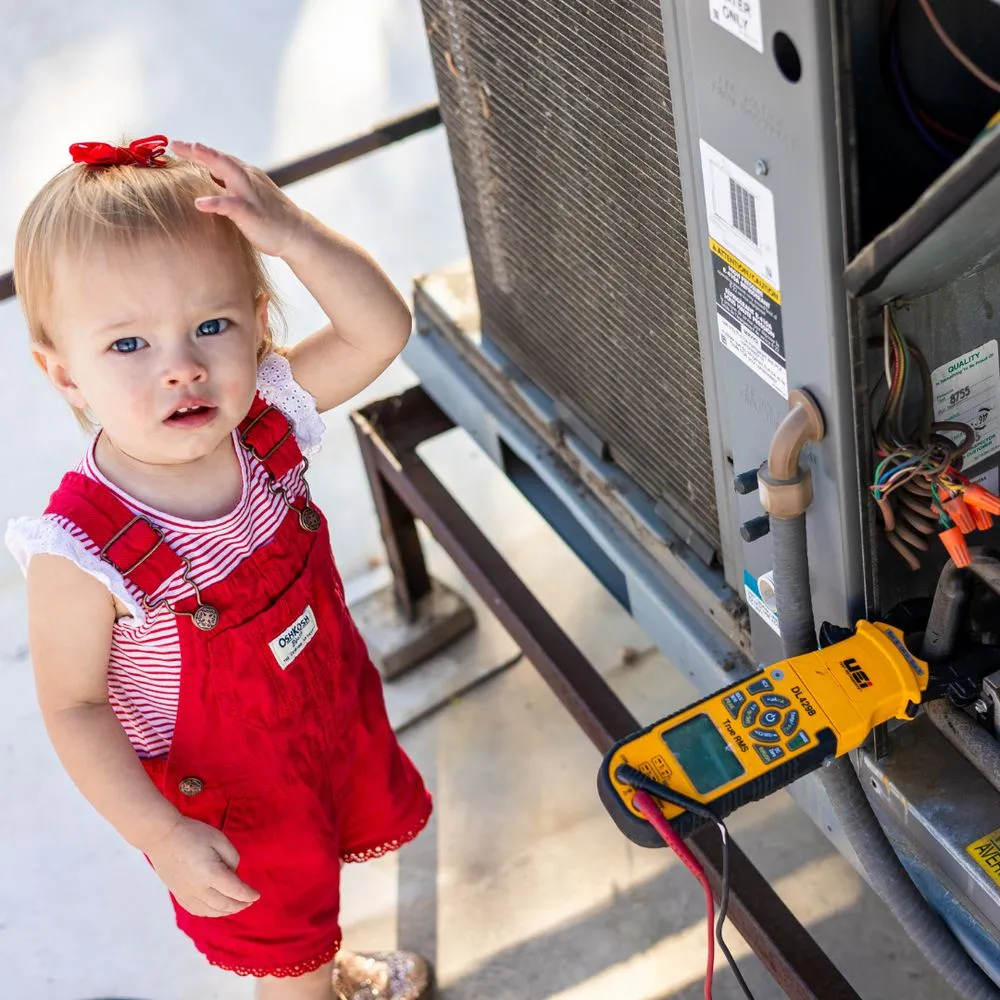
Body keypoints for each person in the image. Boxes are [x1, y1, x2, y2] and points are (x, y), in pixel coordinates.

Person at [5, 134, 434, 1000]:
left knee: (309, 904)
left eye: (212, 325)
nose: (184, 367)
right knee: (284, 948)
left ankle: (319, 969)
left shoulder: (267, 418)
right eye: (128, 346)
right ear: (64, 373)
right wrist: (161, 834)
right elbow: (75, 707)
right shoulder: (84, 549)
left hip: (321, 719)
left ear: (258, 323)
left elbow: (380, 329)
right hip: (229, 804)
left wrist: (295, 233)